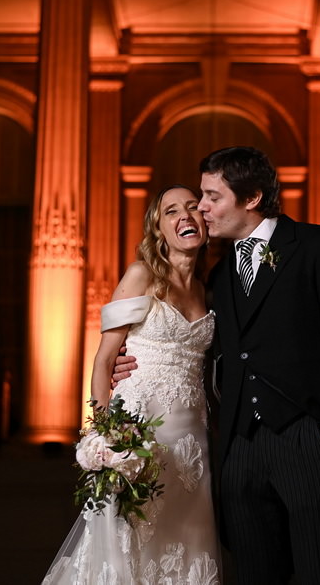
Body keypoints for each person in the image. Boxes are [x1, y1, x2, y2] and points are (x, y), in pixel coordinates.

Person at [115, 146, 320, 583]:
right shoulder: (216, 274)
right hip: (239, 451)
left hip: (307, 437)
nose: (202, 209)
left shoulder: (318, 245)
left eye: (212, 197)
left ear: (251, 198)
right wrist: (131, 365)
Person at [43, 185, 220, 585]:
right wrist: (104, 442)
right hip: (141, 439)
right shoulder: (141, 275)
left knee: (186, 549)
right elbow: (105, 360)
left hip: (193, 446)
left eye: (193, 207)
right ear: (158, 228)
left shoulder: (211, 288)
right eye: (172, 211)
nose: (185, 216)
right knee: (129, 549)